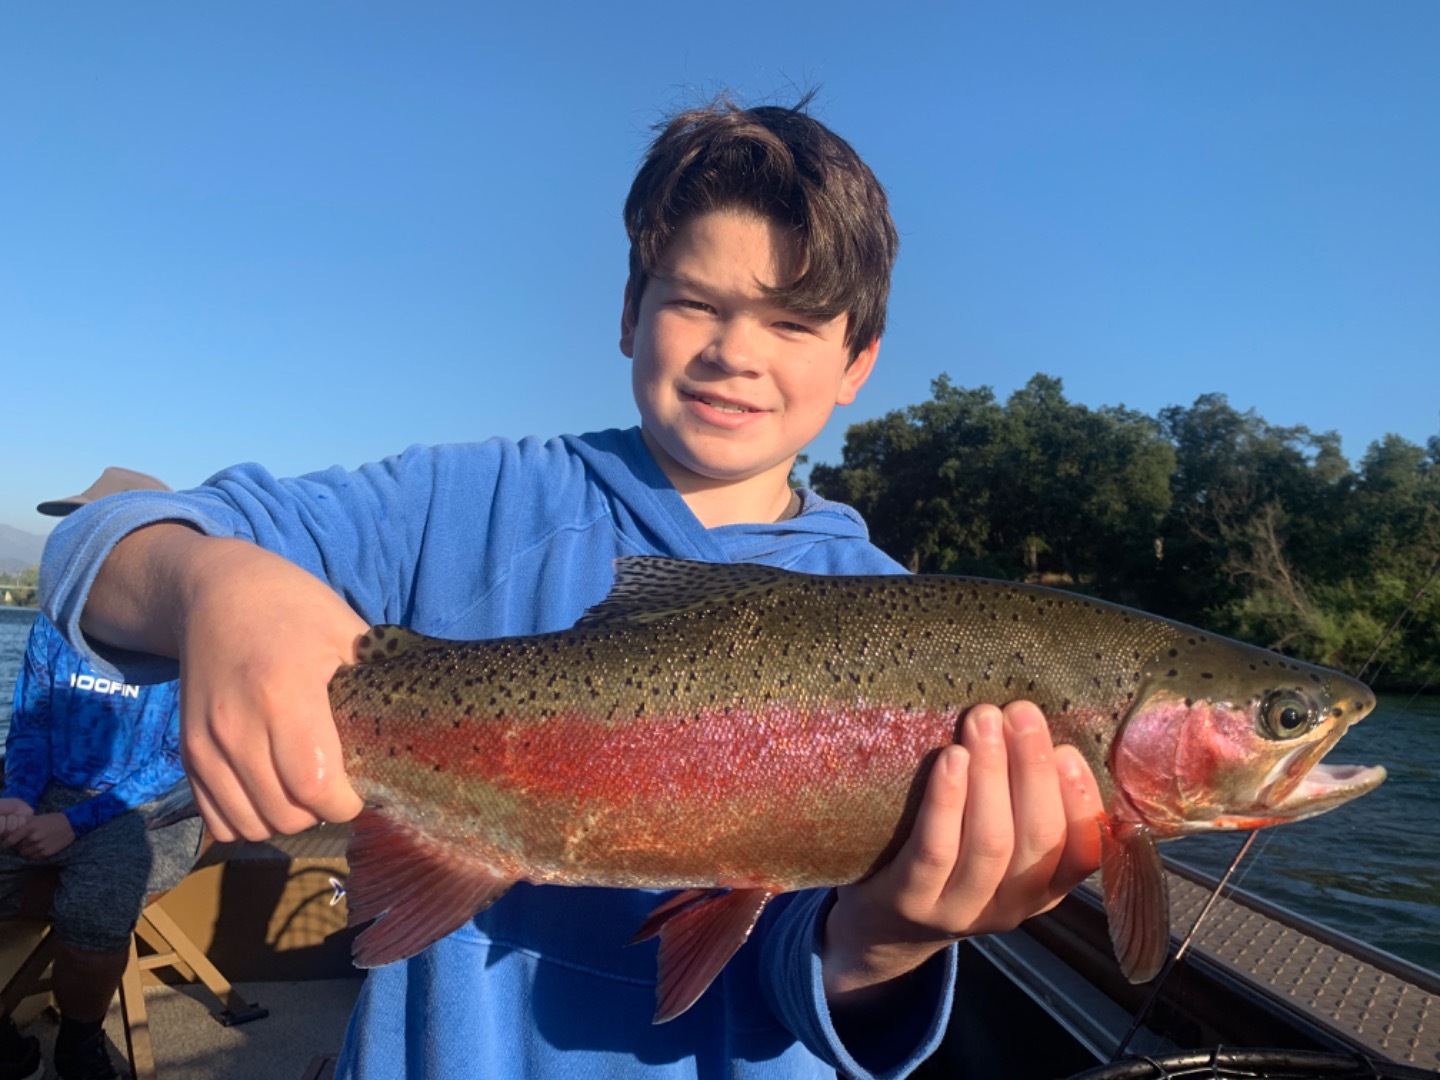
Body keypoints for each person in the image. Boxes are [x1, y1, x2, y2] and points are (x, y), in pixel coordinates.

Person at [39, 98, 1103, 1078]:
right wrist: (211, 584)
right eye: (698, 302)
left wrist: (888, 939)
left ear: (857, 361)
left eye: (791, 323)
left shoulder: (890, 610)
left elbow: (802, 970)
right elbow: (94, 544)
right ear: (631, 310)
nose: (737, 352)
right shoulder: (466, 501)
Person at [1, 470, 204, 1080]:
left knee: (95, 905)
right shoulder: (52, 626)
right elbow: (33, 725)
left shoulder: (186, 638)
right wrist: (16, 797)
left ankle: (80, 1041)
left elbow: (176, 757)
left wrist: (72, 822)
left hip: (145, 805)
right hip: (51, 790)